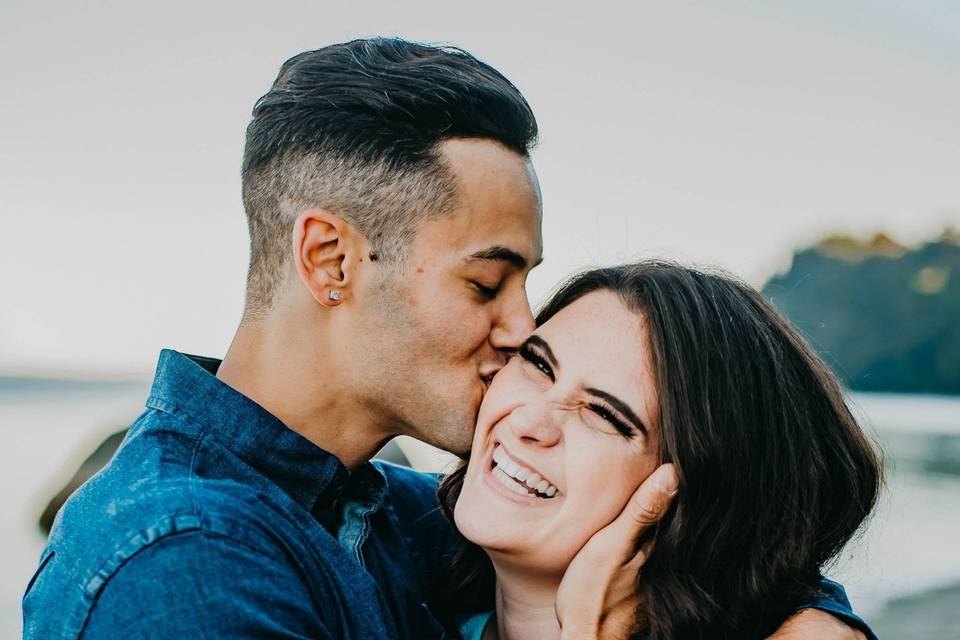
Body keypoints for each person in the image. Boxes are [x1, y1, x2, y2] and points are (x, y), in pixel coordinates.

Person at [23, 38, 869, 638]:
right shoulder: (187, 566)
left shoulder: (393, 517)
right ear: (331, 259)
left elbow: (741, 536)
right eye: (485, 282)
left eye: (528, 286)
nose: (521, 330)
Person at [442, 262, 882, 639]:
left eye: (604, 414)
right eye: (538, 364)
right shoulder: (390, 558)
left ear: (696, 492)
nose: (527, 422)